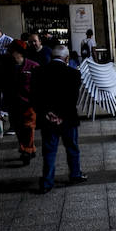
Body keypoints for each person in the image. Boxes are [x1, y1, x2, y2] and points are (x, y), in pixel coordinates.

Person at [30, 44, 88, 193]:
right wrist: (61, 116)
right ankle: (75, 174)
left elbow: (35, 98)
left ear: (52, 56)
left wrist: (47, 113)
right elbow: (72, 99)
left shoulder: (38, 72)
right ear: (67, 58)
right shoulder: (73, 73)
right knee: (72, 148)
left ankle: (47, 183)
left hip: (48, 120)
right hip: (67, 119)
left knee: (49, 151)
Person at [7, 40, 39, 164]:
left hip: (28, 104)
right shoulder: (7, 67)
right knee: (18, 128)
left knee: (28, 127)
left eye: (12, 51)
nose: (9, 53)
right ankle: (28, 148)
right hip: (13, 103)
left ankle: (27, 150)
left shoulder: (33, 66)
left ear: (19, 53)